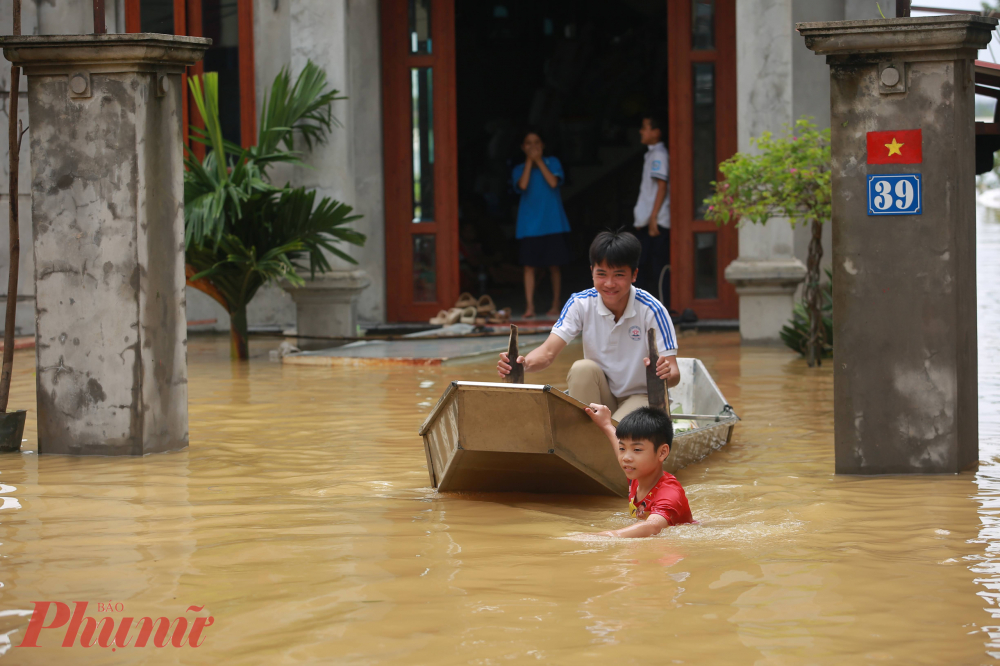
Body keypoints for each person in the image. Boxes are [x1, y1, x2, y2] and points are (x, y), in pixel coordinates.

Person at [497, 229, 680, 422]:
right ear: (591, 271)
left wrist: (665, 373)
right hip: (603, 396)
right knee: (581, 369)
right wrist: (522, 364)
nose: (609, 283)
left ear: (634, 275)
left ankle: (600, 436)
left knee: (621, 435)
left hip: (642, 397)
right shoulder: (580, 303)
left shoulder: (652, 310)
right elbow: (548, 352)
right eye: (601, 274)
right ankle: (590, 435)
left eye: (619, 274)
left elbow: (674, 373)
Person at [582, 404, 693, 537]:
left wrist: (606, 536)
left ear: (662, 452)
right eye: (623, 449)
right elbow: (618, 444)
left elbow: (653, 526)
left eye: (637, 450)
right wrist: (606, 424)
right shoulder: (636, 474)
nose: (626, 458)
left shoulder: (669, 493)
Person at [512, 130, 571, 318]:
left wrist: (538, 161)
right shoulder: (519, 168)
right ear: (523, 147)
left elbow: (553, 182)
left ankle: (555, 304)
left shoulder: (552, 162)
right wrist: (530, 161)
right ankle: (530, 306)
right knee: (529, 267)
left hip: (553, 223)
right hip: (529, 225)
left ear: (543, 145)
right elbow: (522, 185)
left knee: (554, 266)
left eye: (537, 142)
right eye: (528, 143)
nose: (533, 146)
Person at [633, 115, 670, 305]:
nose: (641, 131)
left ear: (656, 132)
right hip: (649, 222)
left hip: (656, 222)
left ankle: (662, 308)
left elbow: (662, 186)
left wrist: (653, 217)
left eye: (645, 127)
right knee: (645, 267)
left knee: (656, 268)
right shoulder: (651, 154)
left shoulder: (659, 155)